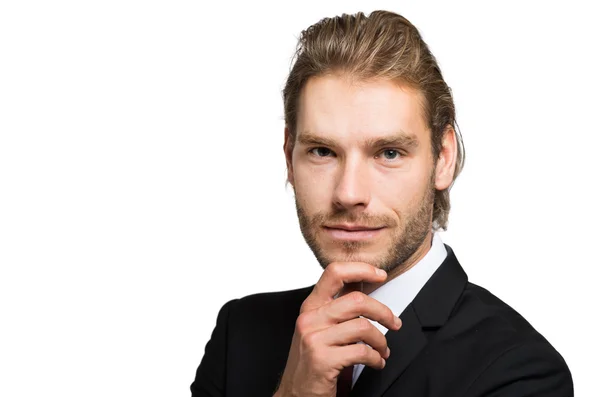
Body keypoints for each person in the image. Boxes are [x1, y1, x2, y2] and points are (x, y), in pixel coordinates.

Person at [190, 10, 573, 397]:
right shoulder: (238, 335)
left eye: (389, 153)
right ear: (289, 156)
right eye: (322, 151)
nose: (348, 193)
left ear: (443, 159)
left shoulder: (521, 370)